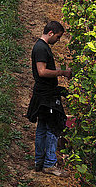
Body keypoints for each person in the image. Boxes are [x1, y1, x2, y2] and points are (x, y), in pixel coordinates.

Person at [25, 21, 72, 177]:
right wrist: (61, 73)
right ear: (51, 33)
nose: (58, 41)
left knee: (42, 128)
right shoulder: (41, 48)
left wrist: (63, 70)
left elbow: (47, 70)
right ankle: (50, 164)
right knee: (53, 128)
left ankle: (40, 162)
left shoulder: (42, 47)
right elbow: (42, 72)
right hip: (46, 96)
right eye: (58, 37)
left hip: (44, 94)